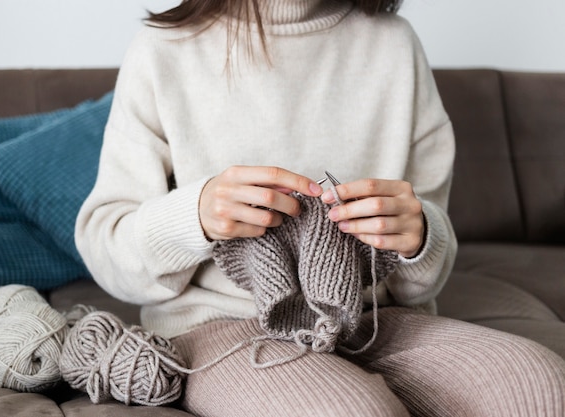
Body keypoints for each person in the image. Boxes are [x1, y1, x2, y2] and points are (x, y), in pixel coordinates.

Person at [75, 0, 565, 416]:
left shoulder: (393, 43)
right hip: (221, 329)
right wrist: (194, 217)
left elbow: (424, 273)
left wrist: (417, 236)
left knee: (541, 388)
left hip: (375, 320)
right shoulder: (163, 51)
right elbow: (106, 247)